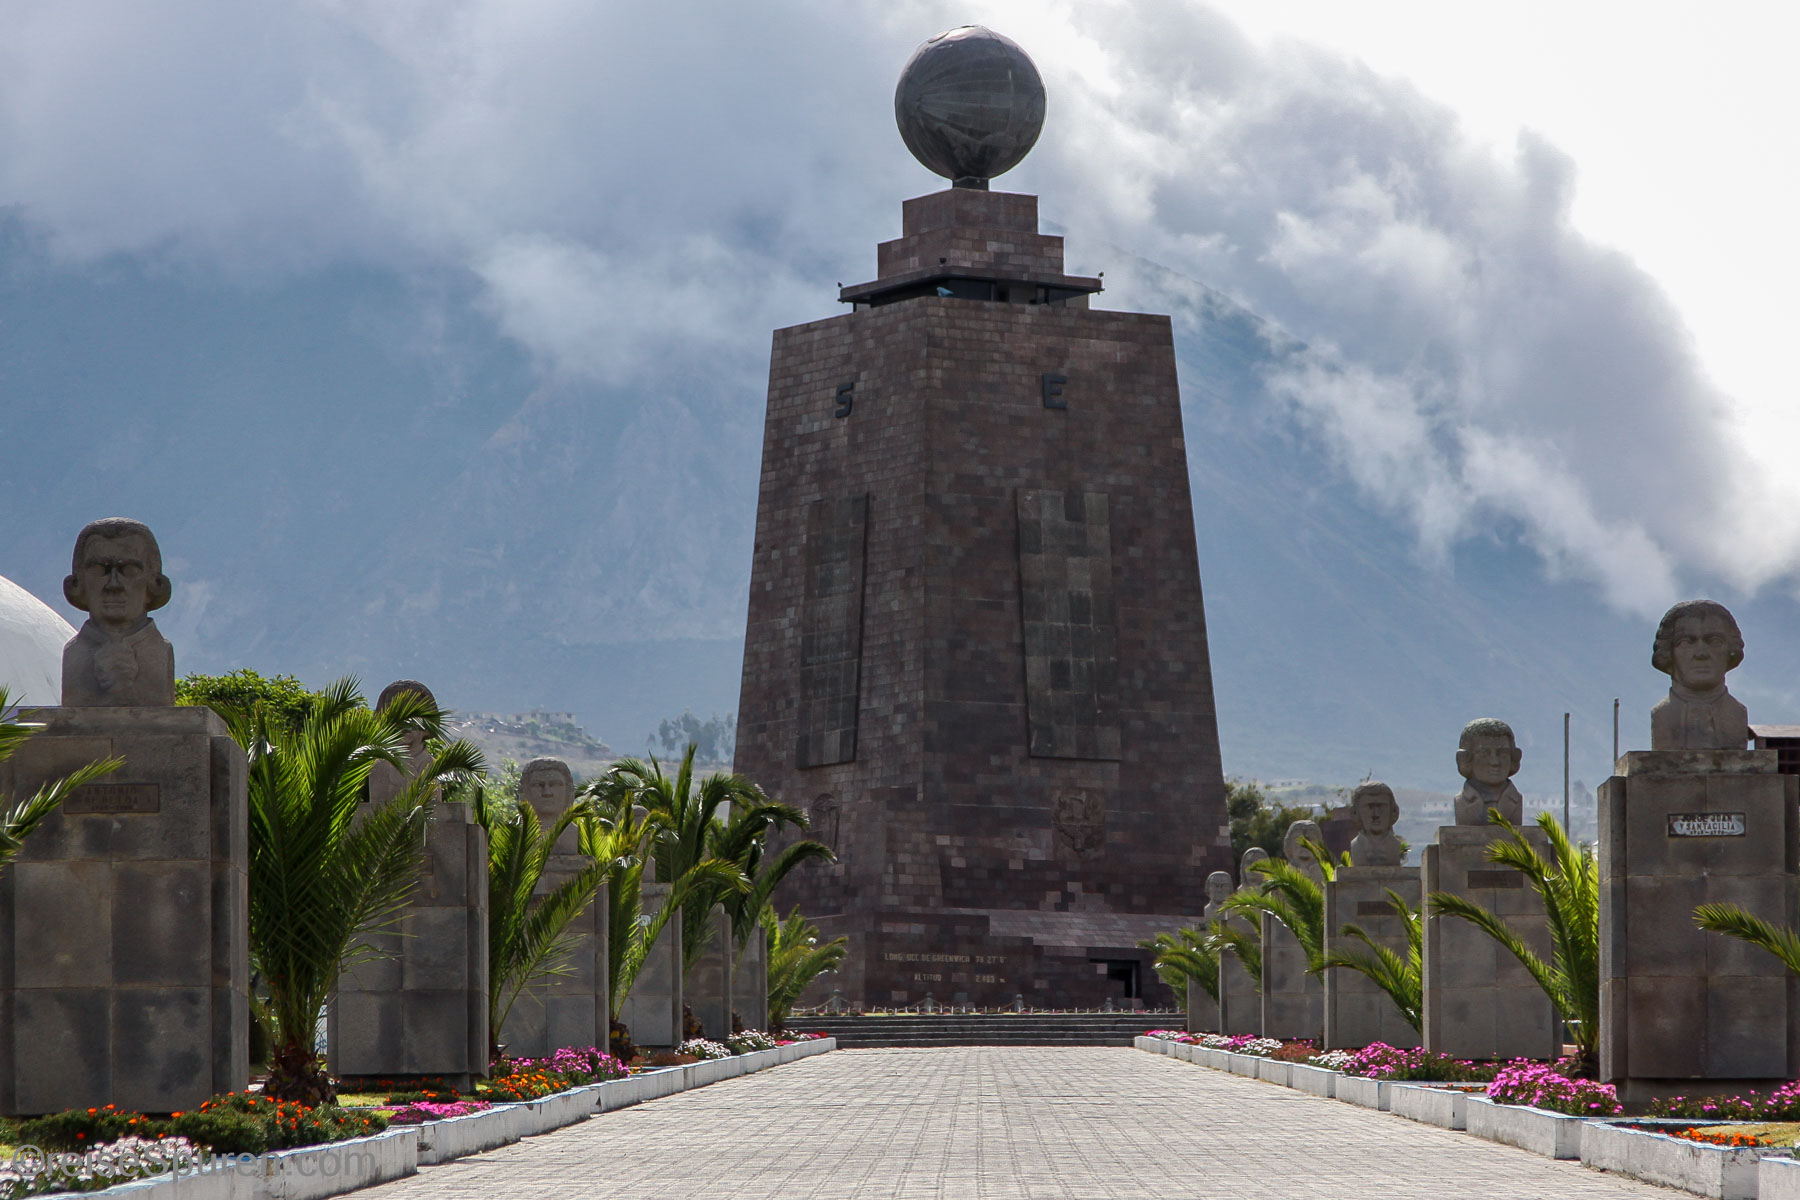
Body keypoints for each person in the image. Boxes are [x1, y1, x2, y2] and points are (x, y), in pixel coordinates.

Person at [60, 517, 175, 706]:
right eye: (99, 570)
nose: (114, 584)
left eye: (129, 570)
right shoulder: (75, 655)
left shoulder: (160, 652)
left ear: (154, 582)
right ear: (78, 583)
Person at [1649, 600, 1749, 751]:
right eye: (1686, 642)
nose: (1701, 653)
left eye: (1714, 641)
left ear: (1730, 651)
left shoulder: (1737, 713)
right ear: (1669, 653)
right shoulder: (1661, 715)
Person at [1454, 717, 1524, 825]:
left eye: (1502, 753)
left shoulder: (1516, 800)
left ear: (1513, 757)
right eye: (1484, 753)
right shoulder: (1461, 802)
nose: (1494, 762)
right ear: (1466, 758)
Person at [1348, 782, 1403, 866]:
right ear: (1355, 813)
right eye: (1369, 807)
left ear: (1393, 811)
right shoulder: (1356, 846)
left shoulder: (1395, 846)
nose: (1376, 814)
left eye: (1381, 806)